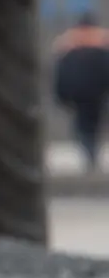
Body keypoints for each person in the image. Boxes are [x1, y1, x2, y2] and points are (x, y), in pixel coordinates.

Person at [52, 11, 109, 170]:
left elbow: (61, 73)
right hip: (98, 93)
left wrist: (61, 95)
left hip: (78, 94)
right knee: (94, 125)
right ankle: (91, 152)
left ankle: (88, 151)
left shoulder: (69, 44)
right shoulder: (102, 43)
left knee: (82, 126)